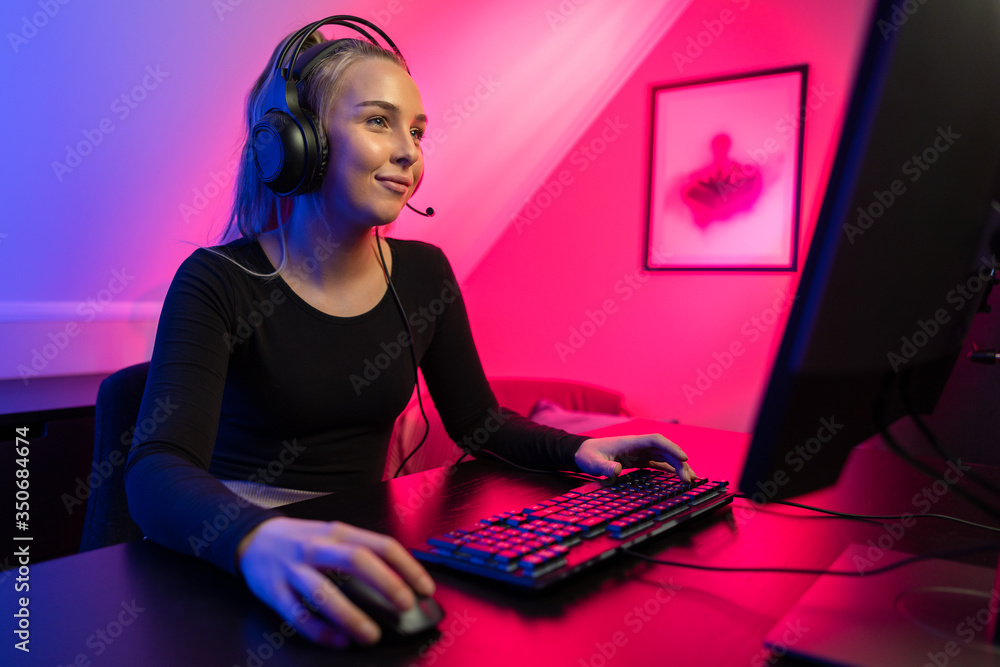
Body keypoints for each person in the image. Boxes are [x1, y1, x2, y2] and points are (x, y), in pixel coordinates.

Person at [124, 21, 697, 650]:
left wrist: (577, 450)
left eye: (417, 131)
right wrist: (255, 537)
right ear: (297, 142)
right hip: (240, 552)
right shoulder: (218, 280)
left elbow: (477, 422)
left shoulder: (424, 274)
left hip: (362, 544)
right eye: (378, 122)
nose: (409, 152)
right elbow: (155, 469)